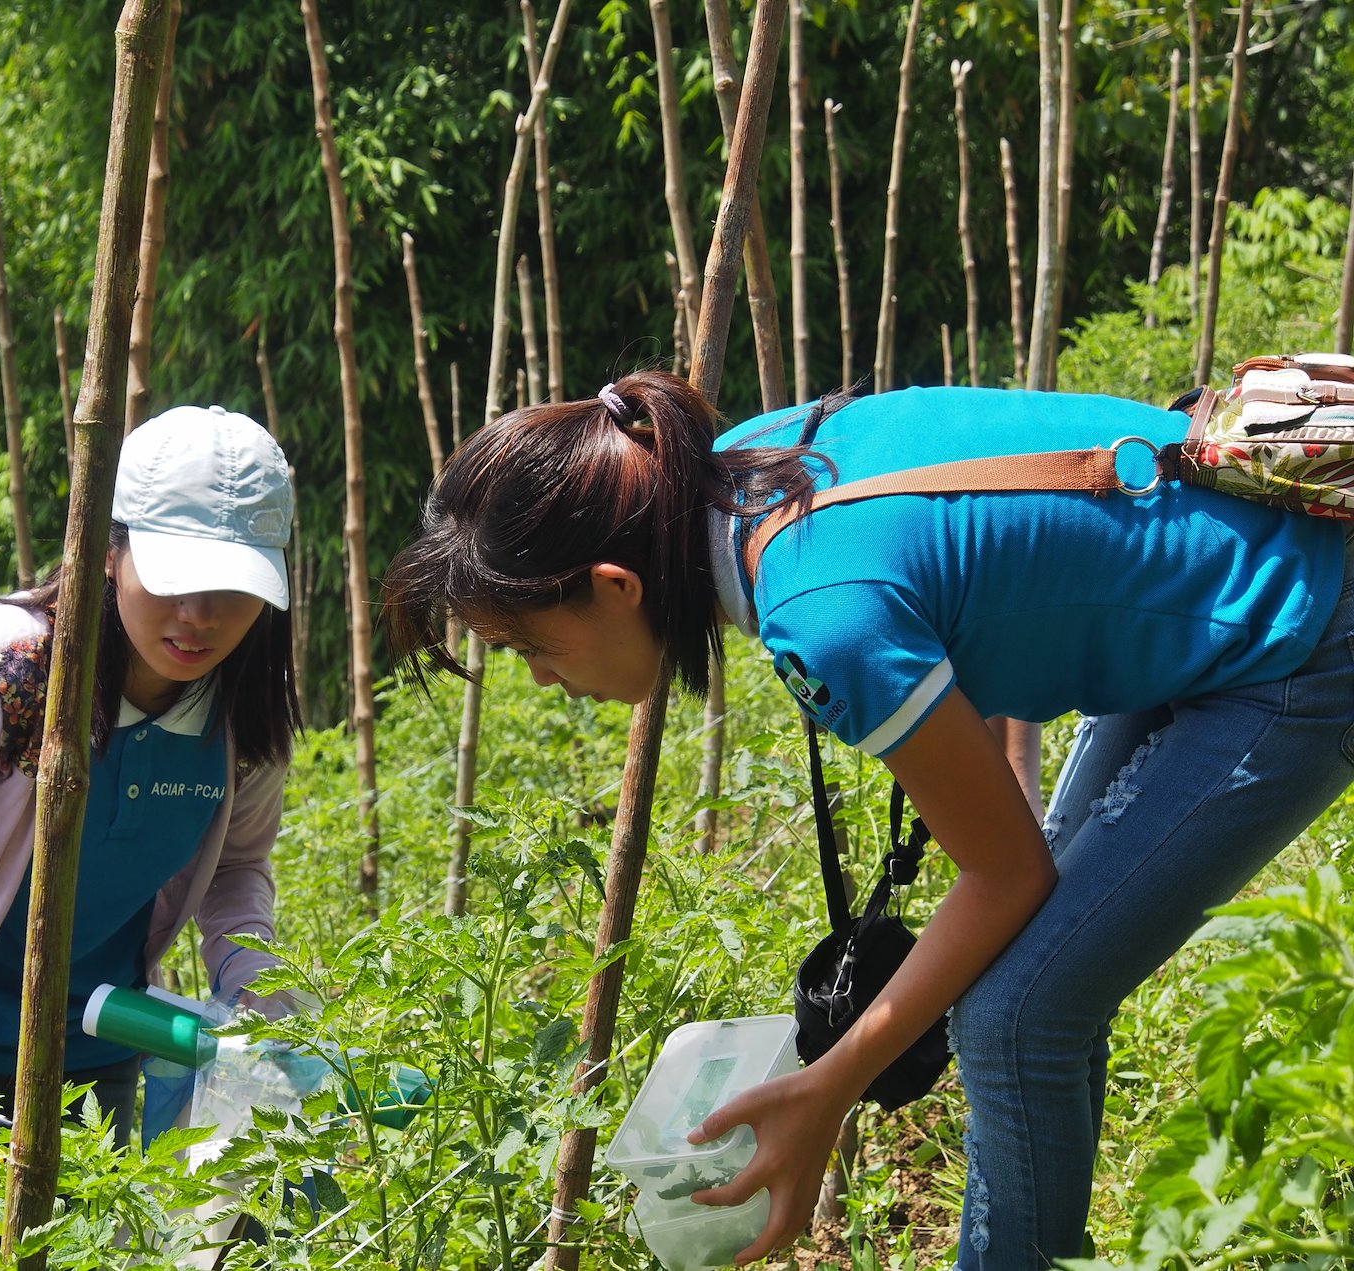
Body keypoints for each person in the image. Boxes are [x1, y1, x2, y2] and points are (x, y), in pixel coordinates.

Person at [380, 370, 1354, 1269]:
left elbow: (1008, 875)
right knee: (1034, 979)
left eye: (527, 647)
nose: (544, 680)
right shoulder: (752, 467)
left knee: (1016, 1013)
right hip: (1220, 571)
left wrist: (828, 1084)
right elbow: (990, 569)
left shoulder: (824, 611)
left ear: (612, 584)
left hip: (1298, 630)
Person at [0, 405, 312, 1268]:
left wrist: (263, 996)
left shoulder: (244, 719)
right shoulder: (13, 668)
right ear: (110, 550)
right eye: (173, 574)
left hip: (90, 1070)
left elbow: (236, 871)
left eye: (231, 589)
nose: (197, 614)